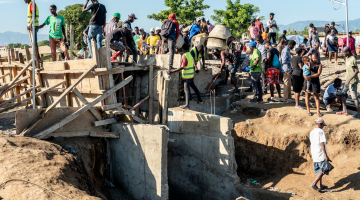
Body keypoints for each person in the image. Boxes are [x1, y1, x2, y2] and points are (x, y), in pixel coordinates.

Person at [335, 46, 360, 118]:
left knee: (354, 97)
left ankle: (358, 113)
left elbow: (357, 71)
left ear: (348, 52)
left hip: (352, 82)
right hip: (347, 81)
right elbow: (348, 69)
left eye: (344, 52)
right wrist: (341, 71)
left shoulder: (353, 59)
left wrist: (349, 80)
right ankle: (344, 110)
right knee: (342, 93)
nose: (342, 53)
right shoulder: (347, 58)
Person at [310, 118, 330, 192]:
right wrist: (325, 155)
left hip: (314, 153)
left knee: (319, 170)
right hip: (320, 153)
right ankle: (314, 183)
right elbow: (321, 143)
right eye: (322, 125)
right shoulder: (321, 131)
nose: (323, 127)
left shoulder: (312, 132)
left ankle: (320, 186)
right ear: (320, 124)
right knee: (324, 168)